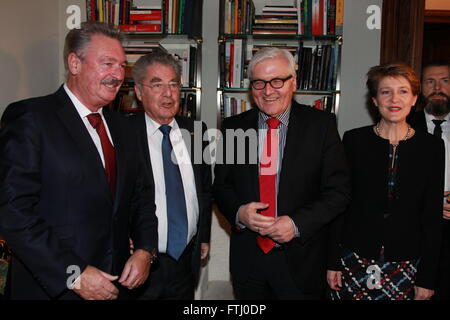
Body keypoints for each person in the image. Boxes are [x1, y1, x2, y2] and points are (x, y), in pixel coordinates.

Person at [0, 22, 158, 300]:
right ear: (74, 63)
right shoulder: (31, 118)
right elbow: (12, 211)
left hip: (117, 286)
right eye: (108, 63)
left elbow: (141, 197)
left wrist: (146, 250)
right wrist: (73, 273)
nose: (118, 75)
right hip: (53, 289)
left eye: (122, 66)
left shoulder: (124, 128)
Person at [213, 47, 351, 299]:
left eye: (277, 81)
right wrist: (239, 213)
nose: (268, 91)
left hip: (302, 261)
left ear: (293, 82)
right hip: (248, 262)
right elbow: (222, 186)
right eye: (259, 83)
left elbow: (338, 192)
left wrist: (296, 223)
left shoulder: (321, 126)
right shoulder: (234, 127)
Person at [327, 63, 445, 300]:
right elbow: (339, 205)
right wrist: (332, 261)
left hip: (407, 261)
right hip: (354, 256)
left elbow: (432, 216)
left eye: (403, 91)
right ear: (374, 100)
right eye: (385, 91)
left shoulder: (431, 147)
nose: (394, 99)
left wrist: (426, 277)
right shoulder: (353, 141)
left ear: (414, 99)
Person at [130, 49, 212, 300]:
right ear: (139, 92)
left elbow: (204, 190)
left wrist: (204, 235)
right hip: (140, 261)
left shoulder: (196, 131)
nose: (168, 93)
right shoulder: (123, 133)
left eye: (174, 84)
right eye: (157, 85)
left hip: (185, 261)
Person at [409, 62, 450, 299]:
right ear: (420, 89)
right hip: (415, 234)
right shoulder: (403, 126)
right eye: (430, 81)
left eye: (445, 80)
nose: (437, 87)